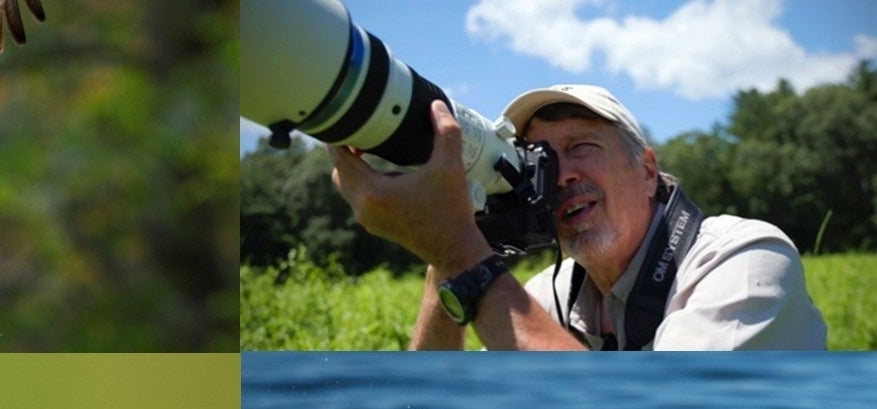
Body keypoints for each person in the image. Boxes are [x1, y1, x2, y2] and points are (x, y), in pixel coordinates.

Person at [329, 84, 828, 350]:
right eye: (538, 161)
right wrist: (453, 238)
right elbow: (431, 406)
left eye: (581, 148)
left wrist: (460, 252)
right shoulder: (549, 297)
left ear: (648, 171)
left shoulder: (743, 259)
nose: (561, 176)